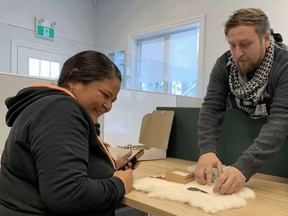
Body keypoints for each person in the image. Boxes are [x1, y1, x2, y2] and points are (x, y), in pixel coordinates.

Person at [0, 50, 134, 216]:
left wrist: (108, 165)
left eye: (112, 101)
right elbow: (67, 194)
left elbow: (59, 168)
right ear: (74, 79)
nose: (108, 106)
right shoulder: (60, 109)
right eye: (105, 95)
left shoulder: (47, 106)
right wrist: (119, 184)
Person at [195, 8, 288, 195]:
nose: (237, 54)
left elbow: (281, 120)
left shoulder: (284, 66)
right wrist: (206, 150)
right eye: (232, 45)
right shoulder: (224, 65)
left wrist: (244, 167)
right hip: (240, 145)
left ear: (267, 39)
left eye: (245, 44)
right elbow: (212, 108)